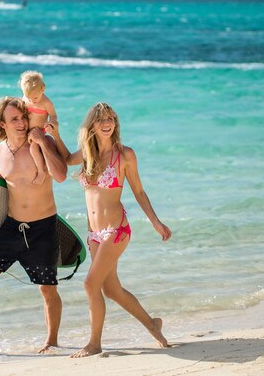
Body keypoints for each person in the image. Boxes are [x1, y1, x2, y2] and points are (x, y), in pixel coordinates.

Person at [51, 102, 172, 358]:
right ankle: (152, 324)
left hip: (117, 231)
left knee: (89, 284)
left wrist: (155, 222)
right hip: (94, 234)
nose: (107, 123)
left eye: (111, 118)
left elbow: (138, 191)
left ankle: (94, 343)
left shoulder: (125, 155)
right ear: (92, 125)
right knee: (111, 290)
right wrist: (55, 135)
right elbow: (64, 160)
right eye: (102, 119)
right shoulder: (87, 152)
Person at [0, 97, 67, 356]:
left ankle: (52, 341)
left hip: (43, 227)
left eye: (23, 117)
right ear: (2, 123)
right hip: (10, 227)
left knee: (48, 289)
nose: (21, 123)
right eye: (14, 119)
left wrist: (42, 141)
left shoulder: (43, 144)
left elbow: (61, 175)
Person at [19, 71, 58, 186]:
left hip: (39, 131)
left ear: (43, 89)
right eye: (28, 97)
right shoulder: (27, 98)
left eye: (35, 98)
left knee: (34, 148)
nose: (32, 101)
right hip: (26, 129)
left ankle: (41, 172)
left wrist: (52, 123)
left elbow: (54, 116)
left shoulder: (47, 103)